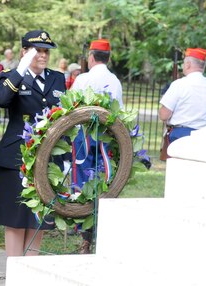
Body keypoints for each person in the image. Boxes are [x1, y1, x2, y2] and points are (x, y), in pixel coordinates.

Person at [0, 30, 66, 256]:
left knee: (38, 217)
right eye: (37, 51)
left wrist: (67, 157)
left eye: (46, 51)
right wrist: (20, 69)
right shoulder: (11, 76)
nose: (43, 56)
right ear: (24, 52)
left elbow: (65, 116)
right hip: (16, 156)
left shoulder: (57, 78)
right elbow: (0, 100)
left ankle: (29, 273)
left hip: (48, 157)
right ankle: (15, 271)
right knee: (15, 217)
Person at [70, 39, 124, 254]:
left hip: (84, 136)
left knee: (82, 180)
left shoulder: (83, 78)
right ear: (108, 58)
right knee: (104, 180)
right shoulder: (115, 81)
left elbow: (70, 105)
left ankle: (83, 229)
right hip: (107, 137)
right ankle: (99, 226)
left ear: (91, 57)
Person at [159, 47, 206, 144]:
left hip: (179, 136)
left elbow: (164, 115)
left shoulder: (179, 84)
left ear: (188, 64)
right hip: (201, 137)